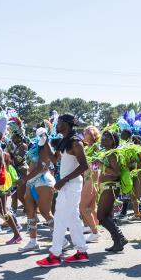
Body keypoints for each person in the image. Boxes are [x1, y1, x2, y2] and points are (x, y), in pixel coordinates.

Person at [36, 114, 90, 267]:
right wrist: (44, 141)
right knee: (73, 219)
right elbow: (54, 159)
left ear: (66, 124)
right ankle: (82, 252)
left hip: (71, 185)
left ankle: (54, 255)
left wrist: (64, 180)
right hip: (67, 185)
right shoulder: (64, 141)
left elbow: (84, 166)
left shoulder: (76, 143)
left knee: (60, 218)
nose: (56, 124)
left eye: (59, 122)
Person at [18, 127, 56, 251]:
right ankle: (33, 241)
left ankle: (61, 240)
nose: (41, 137)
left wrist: (25, 179)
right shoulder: (35, 146)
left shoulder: (46, 147)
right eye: (40, 135)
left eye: (43, 135)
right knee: (30, 211)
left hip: (43, 182)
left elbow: (41, 167)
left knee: (46, 213)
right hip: (31, 183)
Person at [96, 130, 128, 252]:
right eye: (103, 136)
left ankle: (120, 237)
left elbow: (116, 173)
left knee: (101, 217)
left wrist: (101, 165)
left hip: (111, 186)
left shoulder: (112, 154)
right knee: (107, 216)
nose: (103, 138)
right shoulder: (106, 153)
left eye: (107, 137)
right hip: (106, 186)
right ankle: (118, 243)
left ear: (113, 141)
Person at [81, 125, 101, 242]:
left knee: (82, 206)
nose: (84, 135)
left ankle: (95, 232)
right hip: (91, 179)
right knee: (92, 207)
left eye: (86, 133)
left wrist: (92, 178)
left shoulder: (95, 148)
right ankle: (94, 228)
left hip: (91, 179)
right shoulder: (89, 147)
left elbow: (95, 165)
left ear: (92, 135)